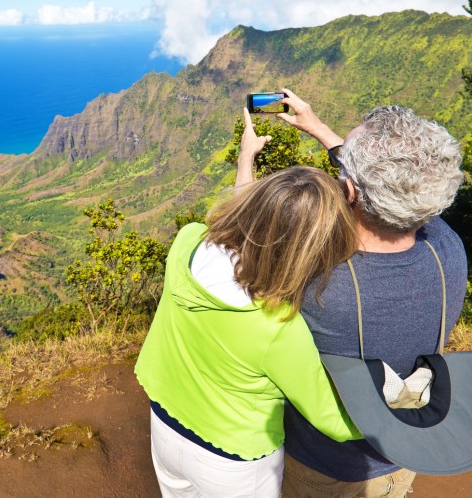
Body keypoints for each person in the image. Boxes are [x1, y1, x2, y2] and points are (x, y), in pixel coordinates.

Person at [241, 89, 467, 498]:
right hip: (401, 453)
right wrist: (319, 130)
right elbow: (398, 187)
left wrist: (246, 164)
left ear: (348, 192)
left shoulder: (320, 279)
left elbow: (246, 242)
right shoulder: (448, 247)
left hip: (324, 468)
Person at [135, 112, 363, 498]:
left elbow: (244, 226)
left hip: (164, 425)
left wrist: (246, 161)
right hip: (232, 461)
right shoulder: (276, 325)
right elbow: (332, 419)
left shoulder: (187, 245)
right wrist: (396, 413)